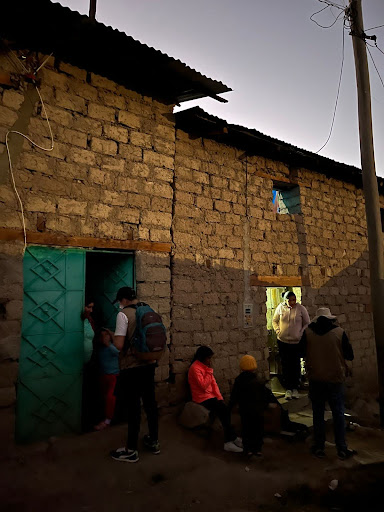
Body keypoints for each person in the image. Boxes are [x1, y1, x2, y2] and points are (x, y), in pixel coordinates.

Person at [109, 287, 159, 463]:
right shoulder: (149, 310)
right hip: (150, 363)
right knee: (151, 403)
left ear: (123, 300)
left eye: (120, 302)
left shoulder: (123, 315)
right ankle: (154, 441)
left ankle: (131, 450)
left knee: (134, 408)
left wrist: (112, 336)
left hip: (132, 367)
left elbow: (120, 345)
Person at [299, 307, 356, 460]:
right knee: (338, 413)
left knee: (318, 414)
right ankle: (342, 448)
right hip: (335, 379)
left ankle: (319, 447)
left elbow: (301, 352)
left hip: (316, 378)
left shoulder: (308, 333)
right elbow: (350, 355)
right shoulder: (339, 333)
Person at [188, 346, 243, 453]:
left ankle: (232, 438)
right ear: (202, 358)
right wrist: (208, 372)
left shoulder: (205, 367)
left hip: (210, 396)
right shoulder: (195, 368)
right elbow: (203, 386)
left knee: (224, 409)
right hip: (201, 398)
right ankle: (229, 441)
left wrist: (219, 398)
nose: (210, 361)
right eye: (208, 358)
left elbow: (214, 384)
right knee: (223, 411)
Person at [229, 355, 278, 457]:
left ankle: (248, 449)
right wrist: (268, 404)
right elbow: (266, 394)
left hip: (245, 410)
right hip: (257, 410)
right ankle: (258, 449)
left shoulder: (239, 380)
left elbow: (234, 395)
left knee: (247, 429)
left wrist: (230, 406)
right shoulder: (258, 380)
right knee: (258, 429)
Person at [272, 291, 310, 400]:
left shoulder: (301, 309)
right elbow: (274, 320)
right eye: (290, 300)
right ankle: (288, 388)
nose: (292, 302)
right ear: (286, 300)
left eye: (294, 300)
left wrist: (300, 332)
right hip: (283, 341)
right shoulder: (280, 308)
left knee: (295, 365)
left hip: (296, 342)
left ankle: (295, 388)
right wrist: (278, 331)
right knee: (285, 364)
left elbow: (307, 323)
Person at [94, 329, 120, 431]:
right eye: (102, 335)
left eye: (106, 335)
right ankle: (106, 417)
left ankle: (108, 421)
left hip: (113, 376)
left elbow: (119, 353)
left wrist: (109, 343)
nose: (104, 337)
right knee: (104, 397)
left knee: (110, 398)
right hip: (104, 375)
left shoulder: (112, 348)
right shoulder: (100, 349)